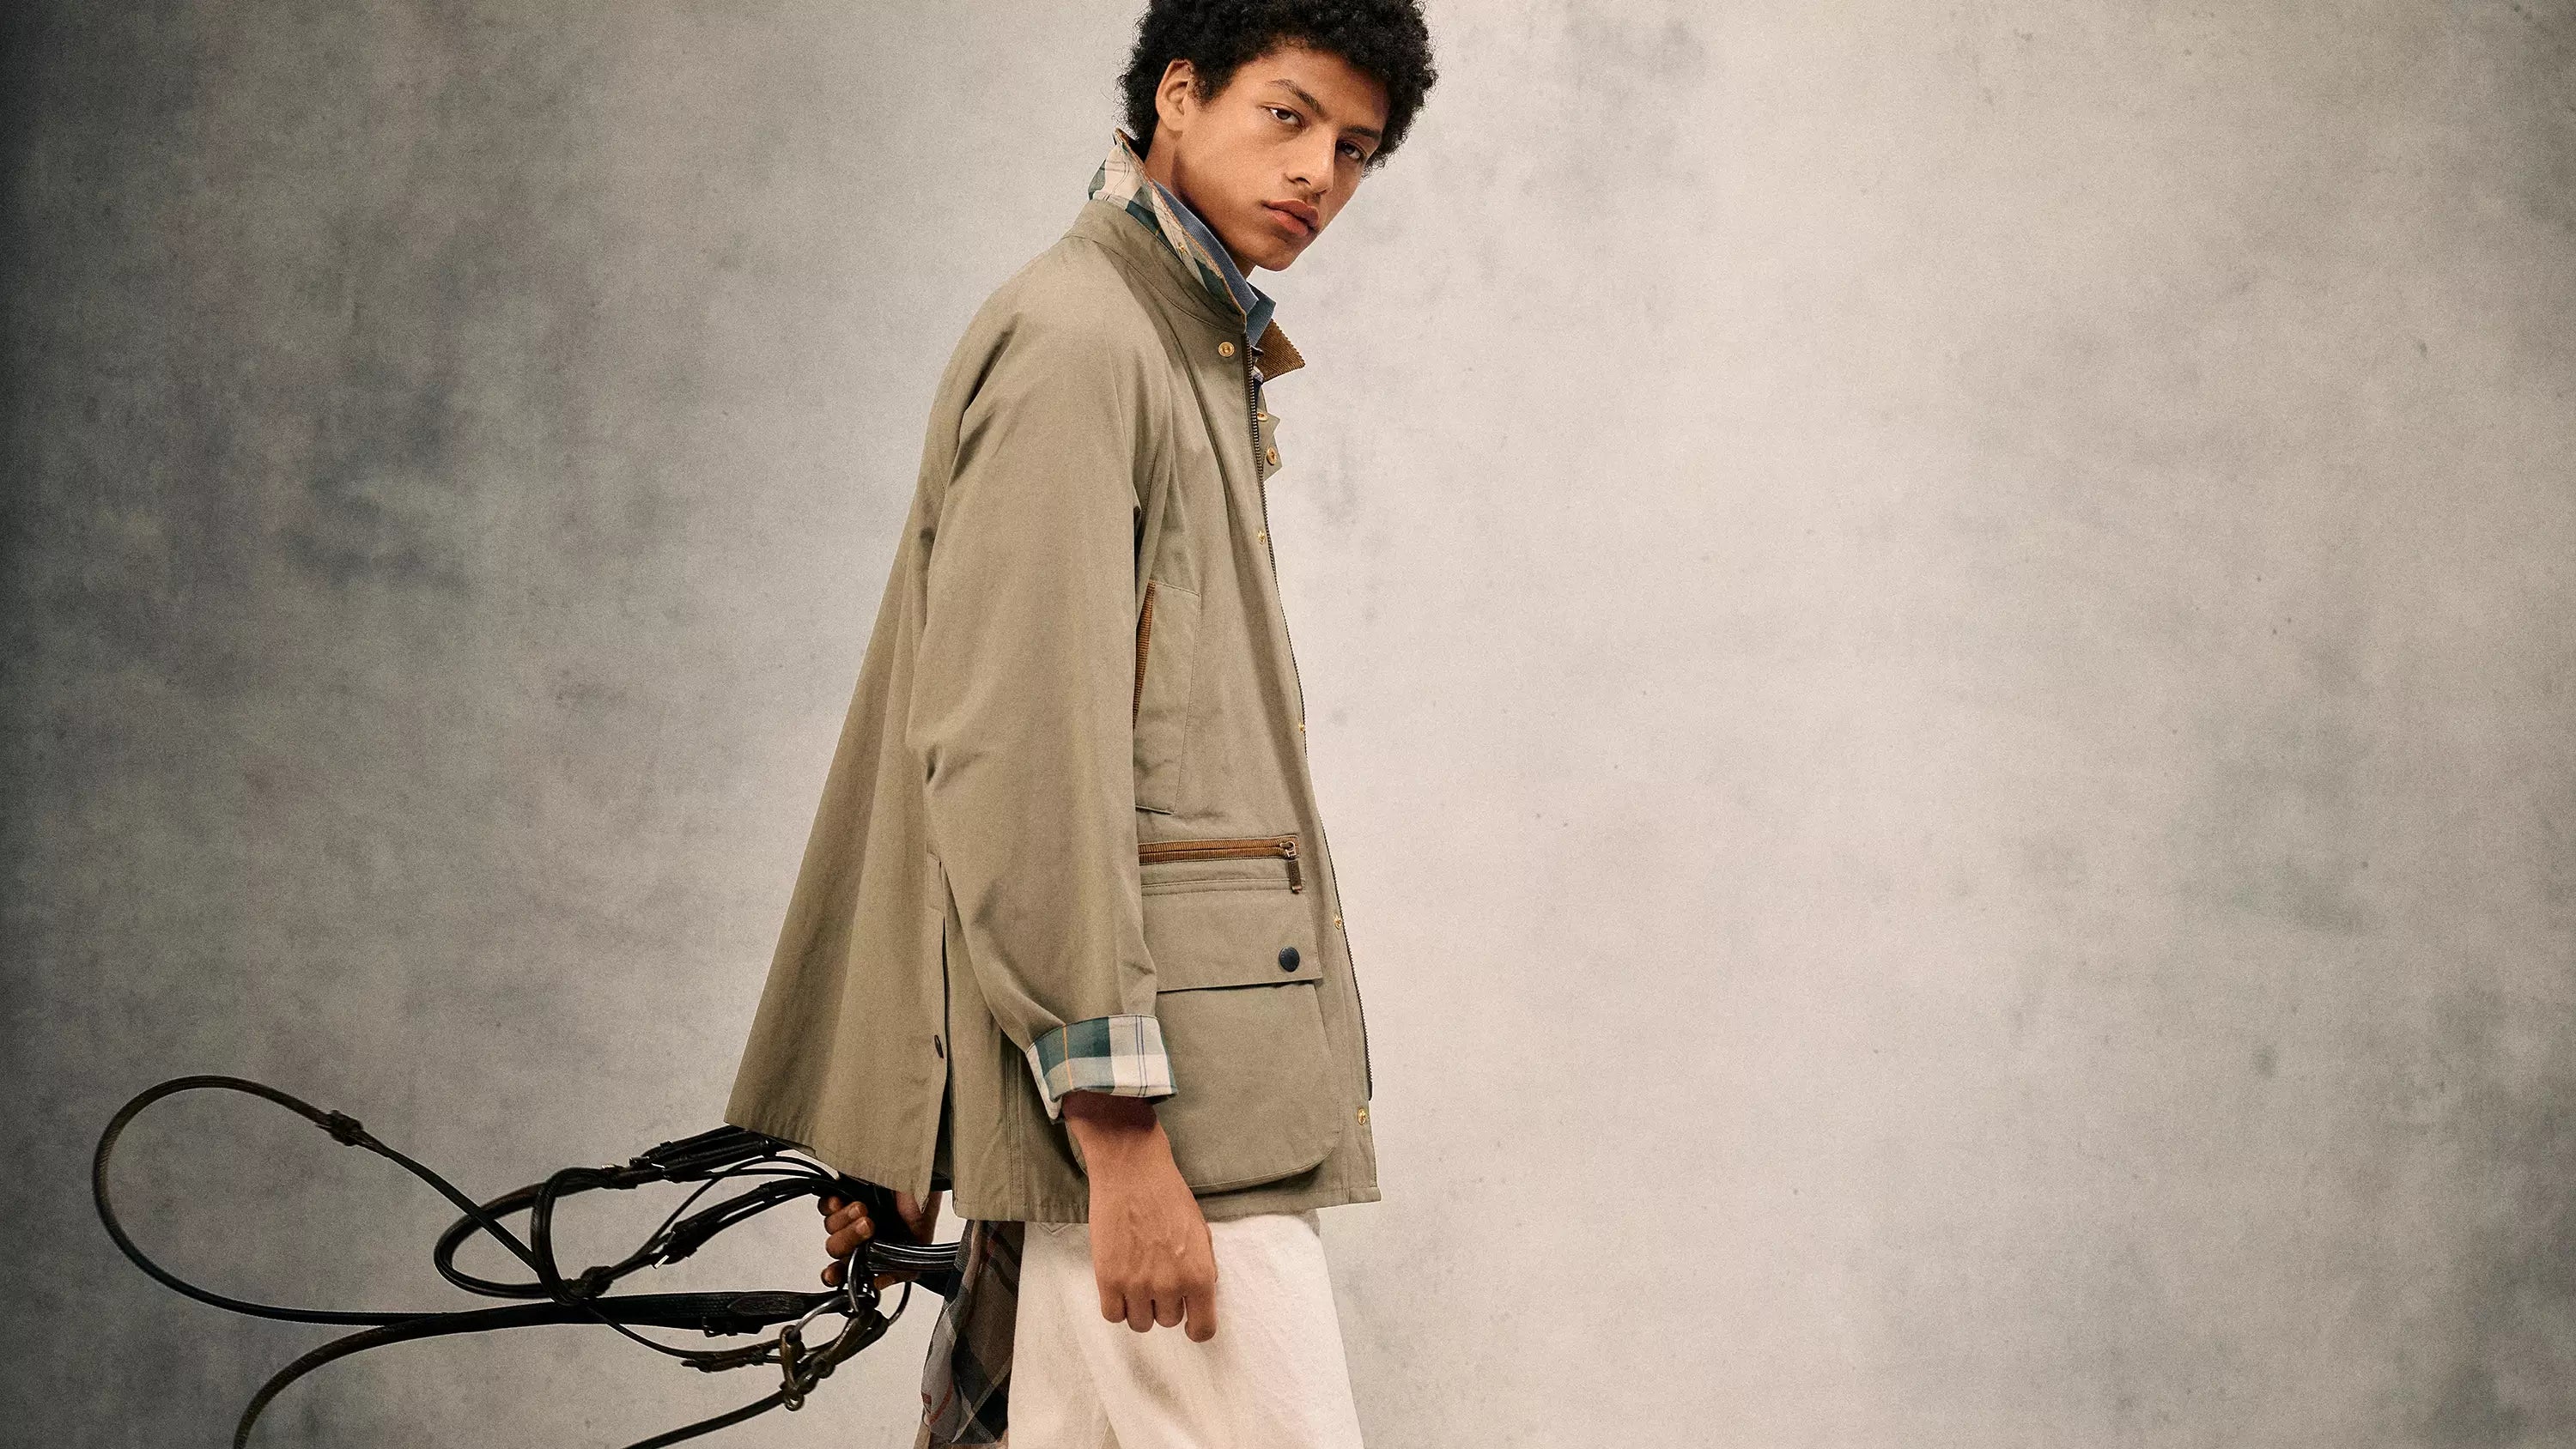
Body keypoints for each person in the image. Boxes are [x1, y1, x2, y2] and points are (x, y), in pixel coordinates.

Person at [723, 3, 1437, 1444]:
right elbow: (1014, 756)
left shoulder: (1179, 340)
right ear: (1179, 93)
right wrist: (1117, 1139)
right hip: (1153, 1120)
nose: (1321, 172)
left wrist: (921, 1106)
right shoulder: (1083, 341)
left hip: (1153, 1090)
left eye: (1357, 149)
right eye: (1288, 115)